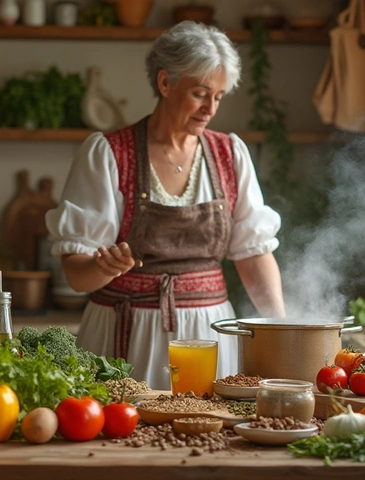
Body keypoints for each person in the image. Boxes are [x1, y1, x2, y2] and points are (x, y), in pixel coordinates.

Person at [45, 21, 285, 390]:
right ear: (165, 83)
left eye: (219, 96)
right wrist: (103, 268)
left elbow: (253, 255)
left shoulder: (229, 154)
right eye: (201, 93)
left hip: (211, 334)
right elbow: (77, 276)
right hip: (123, 335)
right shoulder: (109, 154)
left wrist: (280, 331)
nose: (211, 108)